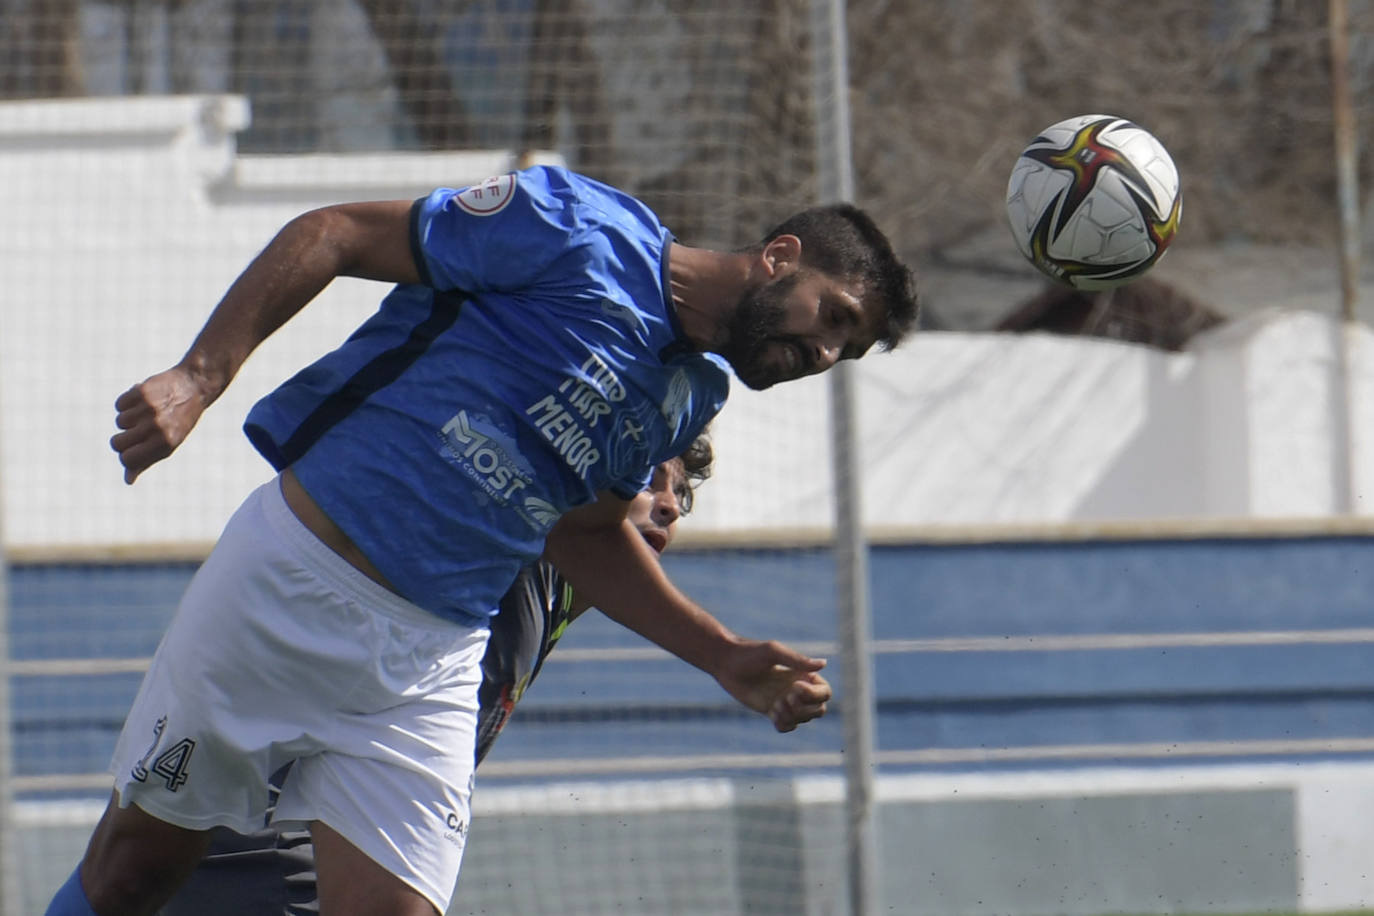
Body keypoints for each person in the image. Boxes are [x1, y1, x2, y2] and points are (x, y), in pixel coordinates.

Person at [47, 163, 918, 916]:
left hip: (429, 661)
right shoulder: (578, 228)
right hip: (288, 587)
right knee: (132, 880)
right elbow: (335, 232)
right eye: (835, 316)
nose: (828, 353)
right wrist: (200, 377)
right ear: (780, 258)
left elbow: (584, 536)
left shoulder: (690, 395)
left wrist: (720, 655)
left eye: (852, 346)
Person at [158, 443, 712, 916]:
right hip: (269, 835)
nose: (668, 505)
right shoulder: (511, 555)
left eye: (680, 494)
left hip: (274, 838)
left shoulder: (553, 599)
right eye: (646, 480)